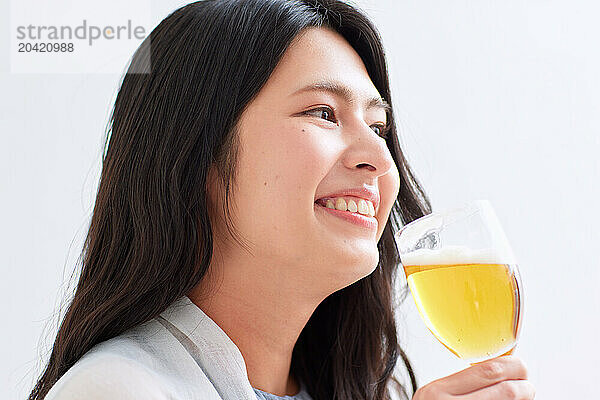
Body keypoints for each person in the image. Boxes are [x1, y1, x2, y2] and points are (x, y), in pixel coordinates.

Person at [29, 1, 535, 399]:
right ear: (194, 150)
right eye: (323, 113)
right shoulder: (117, 390)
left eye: (378, 126)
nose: (380, 159)